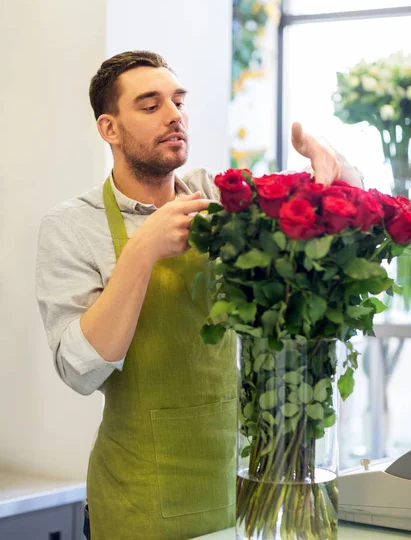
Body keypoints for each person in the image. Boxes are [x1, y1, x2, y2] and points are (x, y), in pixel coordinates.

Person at [36, 50, 364, 540]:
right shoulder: (71, 226)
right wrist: (141, 252)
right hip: (138, 497)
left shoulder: (219, 196)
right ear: (109, 129)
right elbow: (80, 370)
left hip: (243, 486)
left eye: (178, 101)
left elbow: (335, 211)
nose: (174, 115)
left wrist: (331, 163)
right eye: (150, 106)